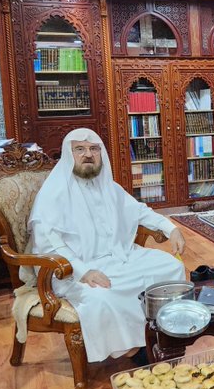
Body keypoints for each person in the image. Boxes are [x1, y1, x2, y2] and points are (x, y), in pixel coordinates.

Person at [26, 128, 187, 363]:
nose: (88, 154)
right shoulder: (53, 194)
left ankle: (162, 335)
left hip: (118, 257)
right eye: (79, 149)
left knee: (171, 268)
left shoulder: (110, 188)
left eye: (94, 149)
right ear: (69, 155)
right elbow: (49, 244)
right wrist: (84, 272)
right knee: (104, 295)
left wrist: (170, 228)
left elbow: (140, 211)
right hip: (73, 270)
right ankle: (133, 349)